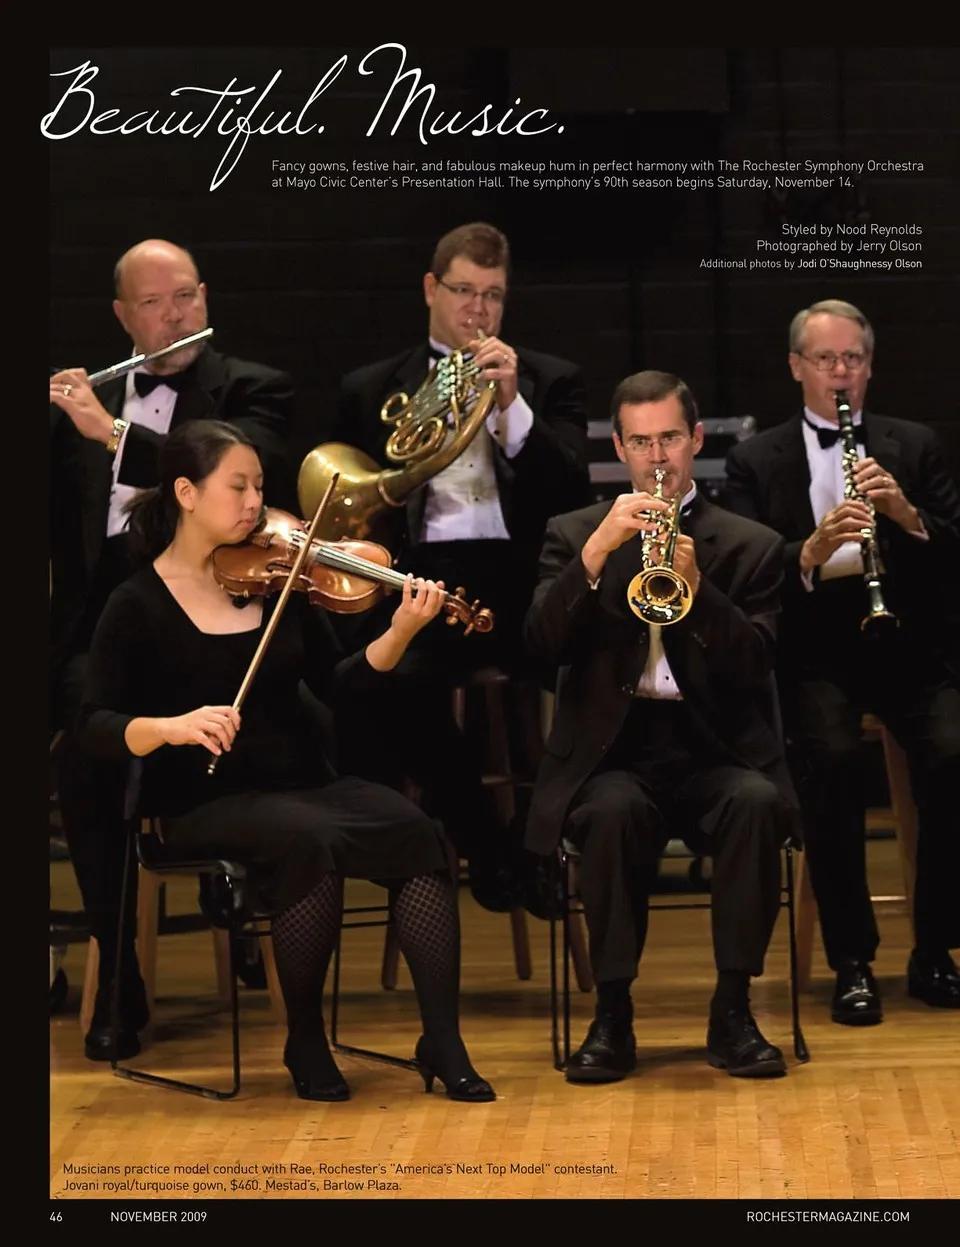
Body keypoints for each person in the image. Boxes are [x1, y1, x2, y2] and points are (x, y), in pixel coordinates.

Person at [77, 420, 495, 1104]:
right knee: (311, 840)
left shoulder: (279, 581)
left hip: (303, 780)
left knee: (415, 830)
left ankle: (442, 1039)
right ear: (186, 493)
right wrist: (172, 726)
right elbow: (94, 725)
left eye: (260, 487)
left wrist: (400, 630)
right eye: (237, 486)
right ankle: (305, 1036)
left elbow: (341, 685)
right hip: (201, 796)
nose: (256, 503)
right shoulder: (136, 603)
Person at [50, 239, 296, 1059]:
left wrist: (116, 434)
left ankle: (250, 897)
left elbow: (247, 477)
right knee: (86, 751)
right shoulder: (82, 404)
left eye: (186, 296)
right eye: (155, 304)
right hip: (106, 628)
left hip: (211, 623)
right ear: (123, 317)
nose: (176, 315)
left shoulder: (252, 388)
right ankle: (117, 975)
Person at [525, 371, 798, 1083]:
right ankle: (612, 1013)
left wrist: (701, 594)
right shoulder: (573, 535)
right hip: (614, 752)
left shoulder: (749, 544)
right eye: (641, 442)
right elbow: (539, 648)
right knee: (611, 813)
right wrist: (594, 558)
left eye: (670, 438)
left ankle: (734, 1010)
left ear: (696, 439)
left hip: (715, 746)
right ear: (619, 448)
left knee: (755, 803)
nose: (657, 457)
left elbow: (757, 666)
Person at [331, 222, 591, 910]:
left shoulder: (550, 381)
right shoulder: (370, 388)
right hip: (422, 576)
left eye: (493, 295)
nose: (479, 310)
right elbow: (349, 504)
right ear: (430, 289)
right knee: (393, 680)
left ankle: (539, 841)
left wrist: (510, 407)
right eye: (464, 291)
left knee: (591, 670)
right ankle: (490, 847)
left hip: (521, 578)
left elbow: (570, 491)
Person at [724, 299, 960, 1021]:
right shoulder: (755, 459)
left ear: (870, 367)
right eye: (825, 359)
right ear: (797, 367)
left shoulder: (914, 444)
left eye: (852, 358)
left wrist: (907, 516)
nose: (840, 372)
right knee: (826, 761)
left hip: (908, 641)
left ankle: (936, 949)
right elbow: (745, 570)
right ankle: (852, 960)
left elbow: (953, 552)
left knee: (953, 752)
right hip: (817, 647)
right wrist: (811, 550)